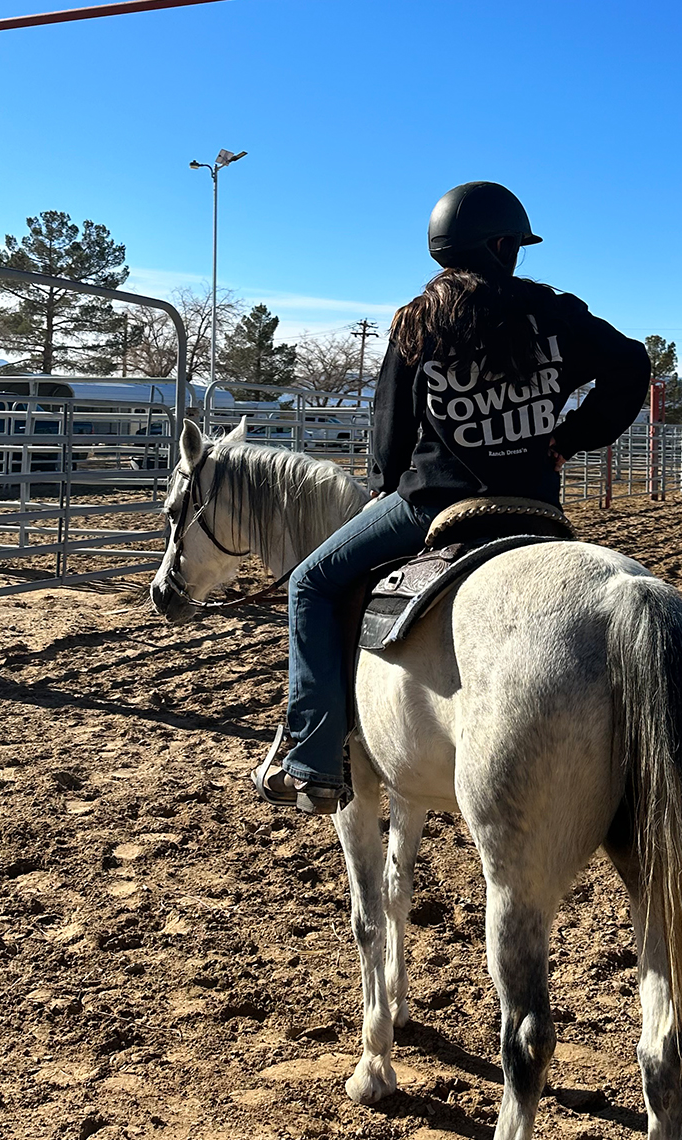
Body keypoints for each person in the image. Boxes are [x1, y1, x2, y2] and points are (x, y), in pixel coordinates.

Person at [252, 181, 651, 814]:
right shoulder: (553, 314)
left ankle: (315, 758)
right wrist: (572, 437)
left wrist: (385, 482)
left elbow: (388, 435)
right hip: (536, 507)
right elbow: (632, 364)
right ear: (502, 246)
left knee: (312, 583)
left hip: (433, 505)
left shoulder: (418, 323)